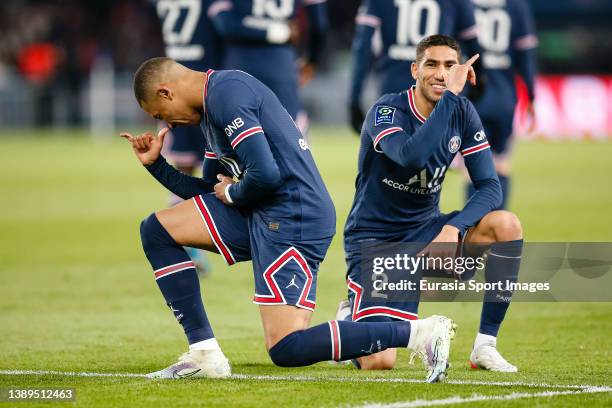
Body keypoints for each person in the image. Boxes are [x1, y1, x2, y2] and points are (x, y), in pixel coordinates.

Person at [119, 57, 457, 381]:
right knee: (157, 229)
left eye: (160, 114)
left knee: (286, 347)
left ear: (166, 92)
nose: (166, 123)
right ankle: (204, 353)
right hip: (264, 211)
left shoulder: (228, 93)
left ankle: (418, 332)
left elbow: (267, 175)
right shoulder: (210, 108)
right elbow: (212, 191)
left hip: (294, 217)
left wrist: (234, 193)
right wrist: (156, 165)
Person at [340, 34, 523, 372]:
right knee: (380, 362)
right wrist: (451, 97)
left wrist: (453, 227)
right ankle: (353, 314)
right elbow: (412, 157)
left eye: (450, 66)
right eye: (432, 65)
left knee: (505, 224)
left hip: (427, 232)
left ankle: (485, 346)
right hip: (377, 240)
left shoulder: (463, 113)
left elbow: (489, 187)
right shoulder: (387, 110)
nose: (441, 74)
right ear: (414, 70)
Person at [155, 0, 225, 272]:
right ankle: (190, 242)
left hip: (173, 78)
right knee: (214, 162)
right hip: (200, 83)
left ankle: (186, 243)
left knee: (184, 167)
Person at [349, 0, 484, 134]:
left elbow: (363, 48)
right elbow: (473, 47)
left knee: (393, 149)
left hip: (392, 89)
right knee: (436, 150)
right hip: (436, 90)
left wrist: (354, 98)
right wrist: (478, 82)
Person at [208, 0, 329, 132]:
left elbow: (226, 25)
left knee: (236, 137)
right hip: (281, 66)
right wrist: (311, 62)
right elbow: (319, 25)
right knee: (290, 139)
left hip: (239, 65)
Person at [467, 0, 538, 209]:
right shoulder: (516, 6)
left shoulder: (464, 5)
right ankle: (499, 228)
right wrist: (531, 97)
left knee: (472, 168)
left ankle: (475, 230)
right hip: (504, 99)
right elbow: (526, 57)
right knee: (502, 164)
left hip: (472, 98)